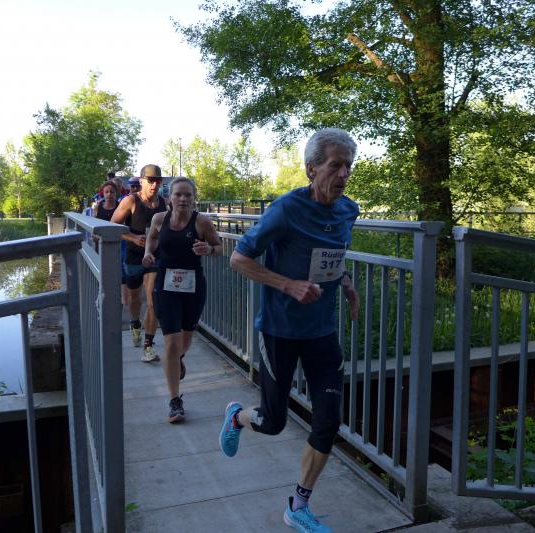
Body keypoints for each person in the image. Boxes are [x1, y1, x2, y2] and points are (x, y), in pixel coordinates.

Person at [218, 128, 360, 533]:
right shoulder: (285, 210)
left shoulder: (348, 210)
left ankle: (298, 505)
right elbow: (238, 259)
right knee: (273, 421)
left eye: (348, 166)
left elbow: (331, 256)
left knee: (328, 421)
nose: (343, 174)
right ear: (312, 168)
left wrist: (346, 281)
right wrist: (288, 285)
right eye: (336, 165)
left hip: (322, 331)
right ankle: (237, 417)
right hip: (279, 330)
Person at [142, 178, 222, 423]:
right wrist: (148, 252)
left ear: (194, 198)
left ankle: (177, 360)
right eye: (178, 194)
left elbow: (219, 247)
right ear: (169, 198)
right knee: (171, 343)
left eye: (188, 195)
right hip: (166, 285)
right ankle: (175, 401)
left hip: (193, 287)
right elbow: (152, 238)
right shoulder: (159, 219)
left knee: (184, 343)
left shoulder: (201, 222)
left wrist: (209, 250)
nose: (183, 199)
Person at [111, 164, 167, 362]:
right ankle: (135, 322)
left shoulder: (164, 203)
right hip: (134, 258)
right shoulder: (131, 201)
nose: (154, 185)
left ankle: (148, 346)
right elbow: (111, 225)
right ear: (142, 181)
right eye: (150, 180)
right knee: (134, 299)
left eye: (158, 181)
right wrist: (133, 238)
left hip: (154, 257)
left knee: (153, 301)